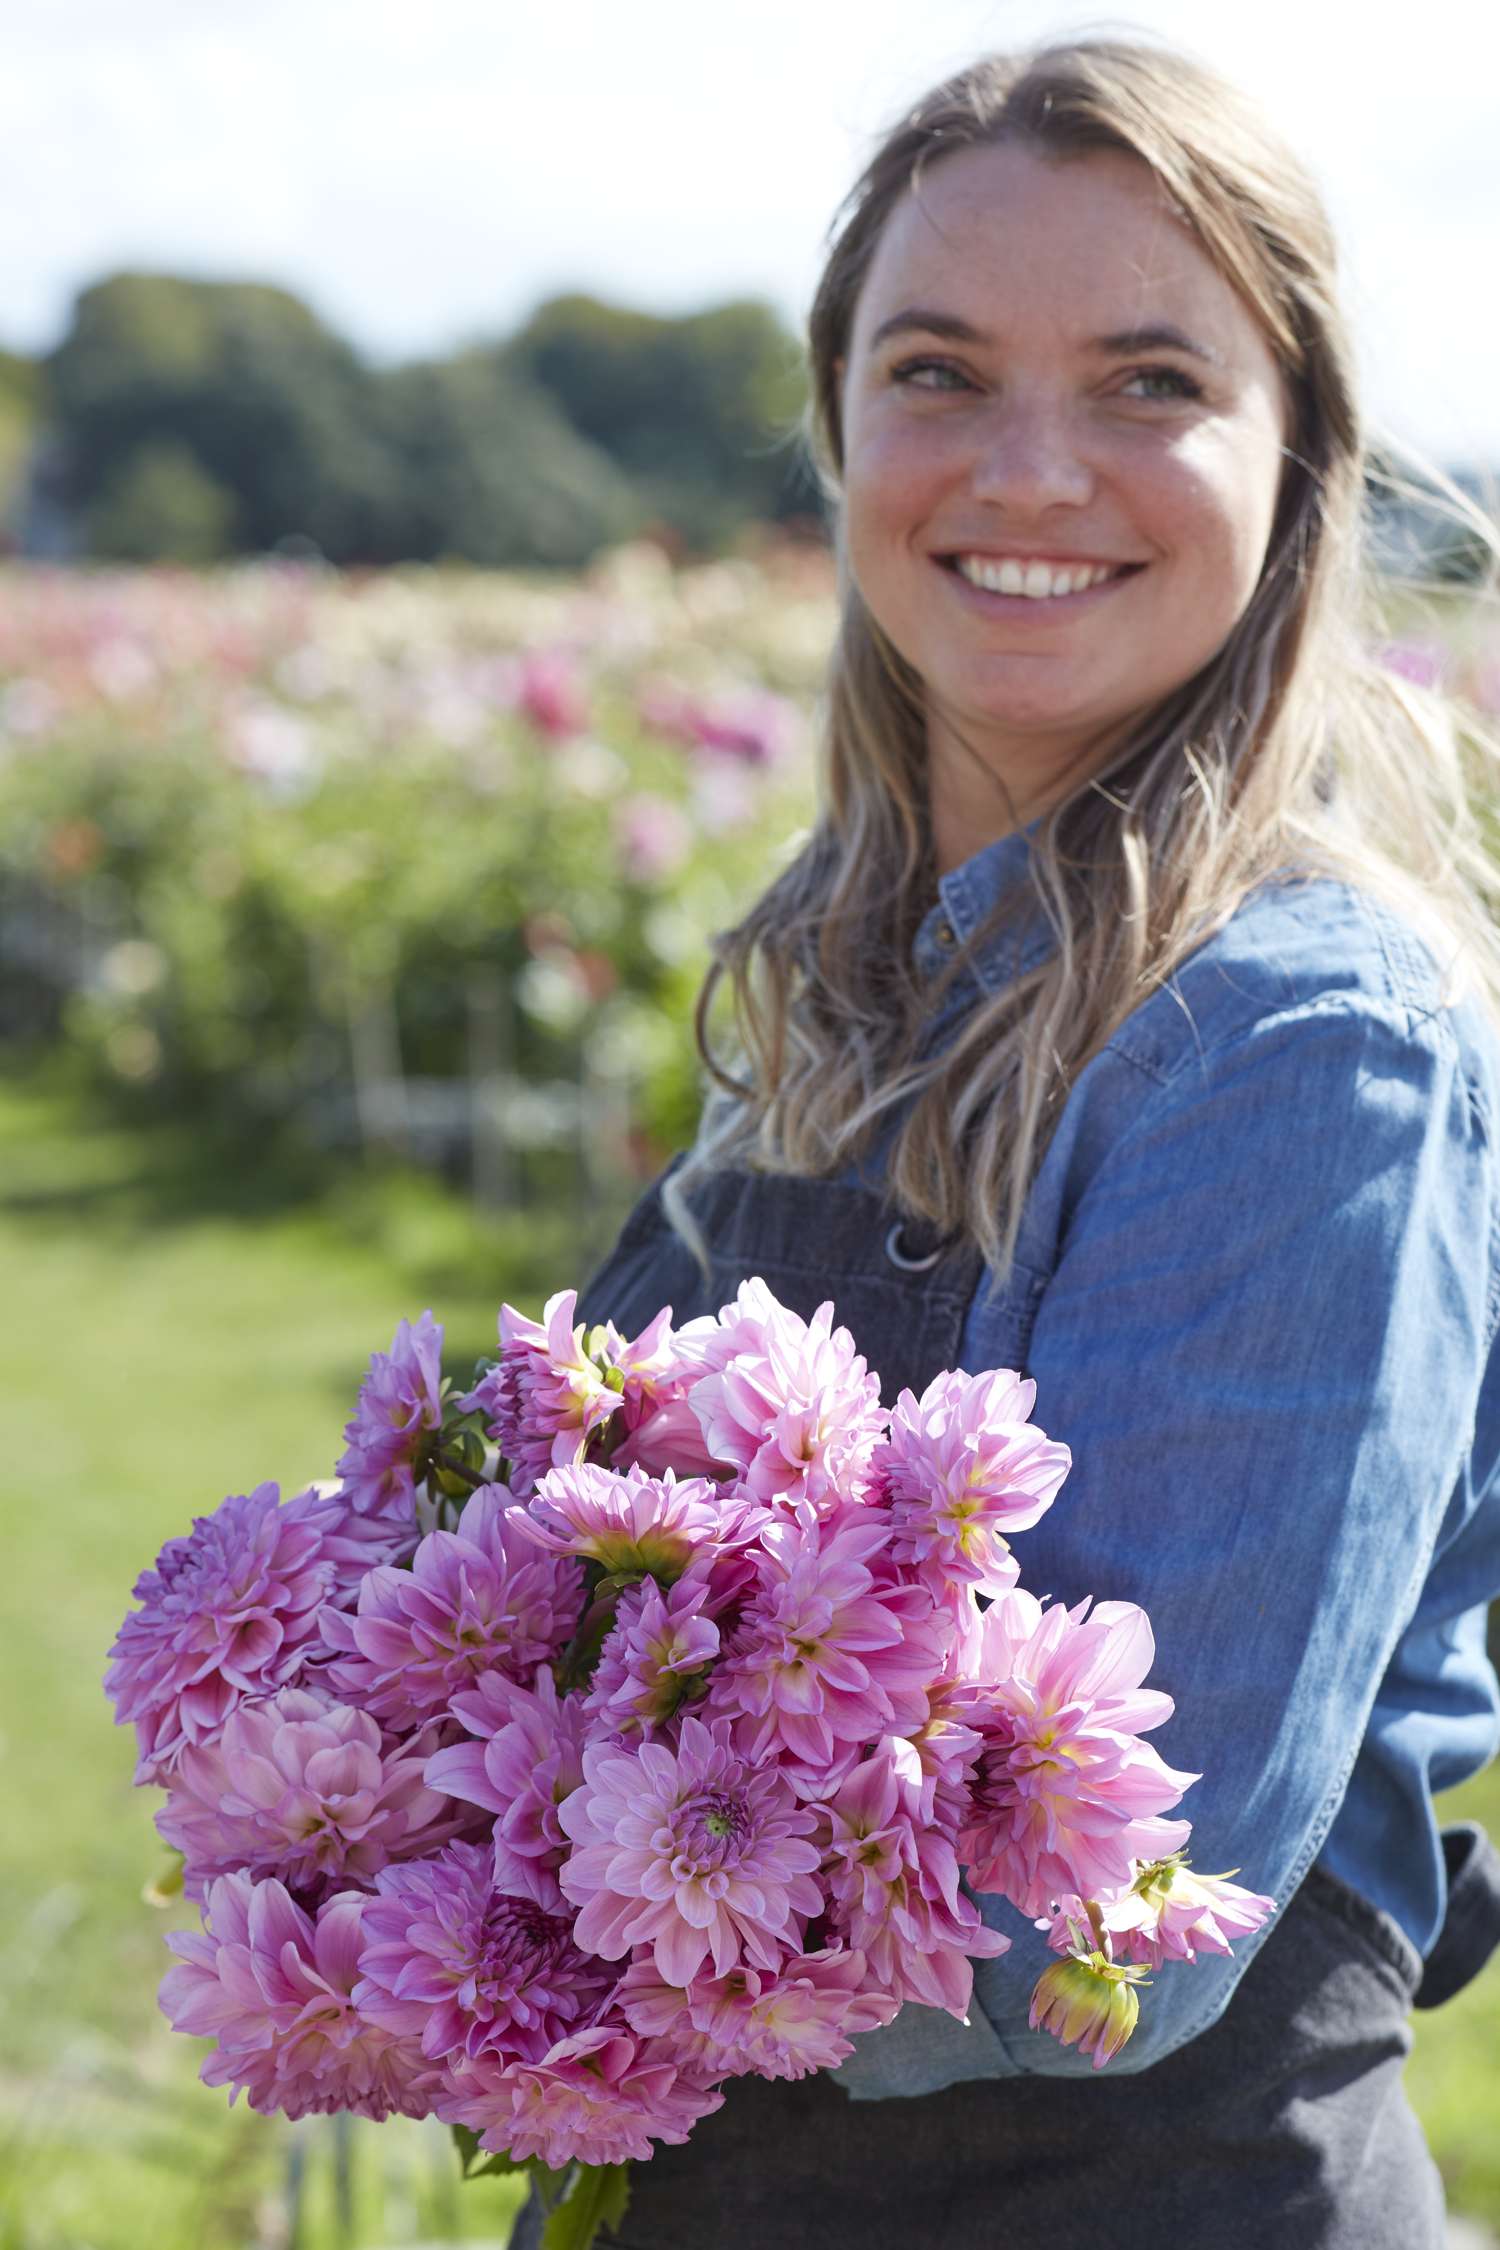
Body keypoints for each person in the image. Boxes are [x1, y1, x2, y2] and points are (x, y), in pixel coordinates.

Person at [525, 36, 1500, 2250]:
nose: (1029, 467)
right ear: (844, 426)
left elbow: (1110, 1938)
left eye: (1152, 380)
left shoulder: (1294, 1040)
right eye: (941, 369)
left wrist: (522, 1918)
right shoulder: (861, 977)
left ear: (1298, 458)